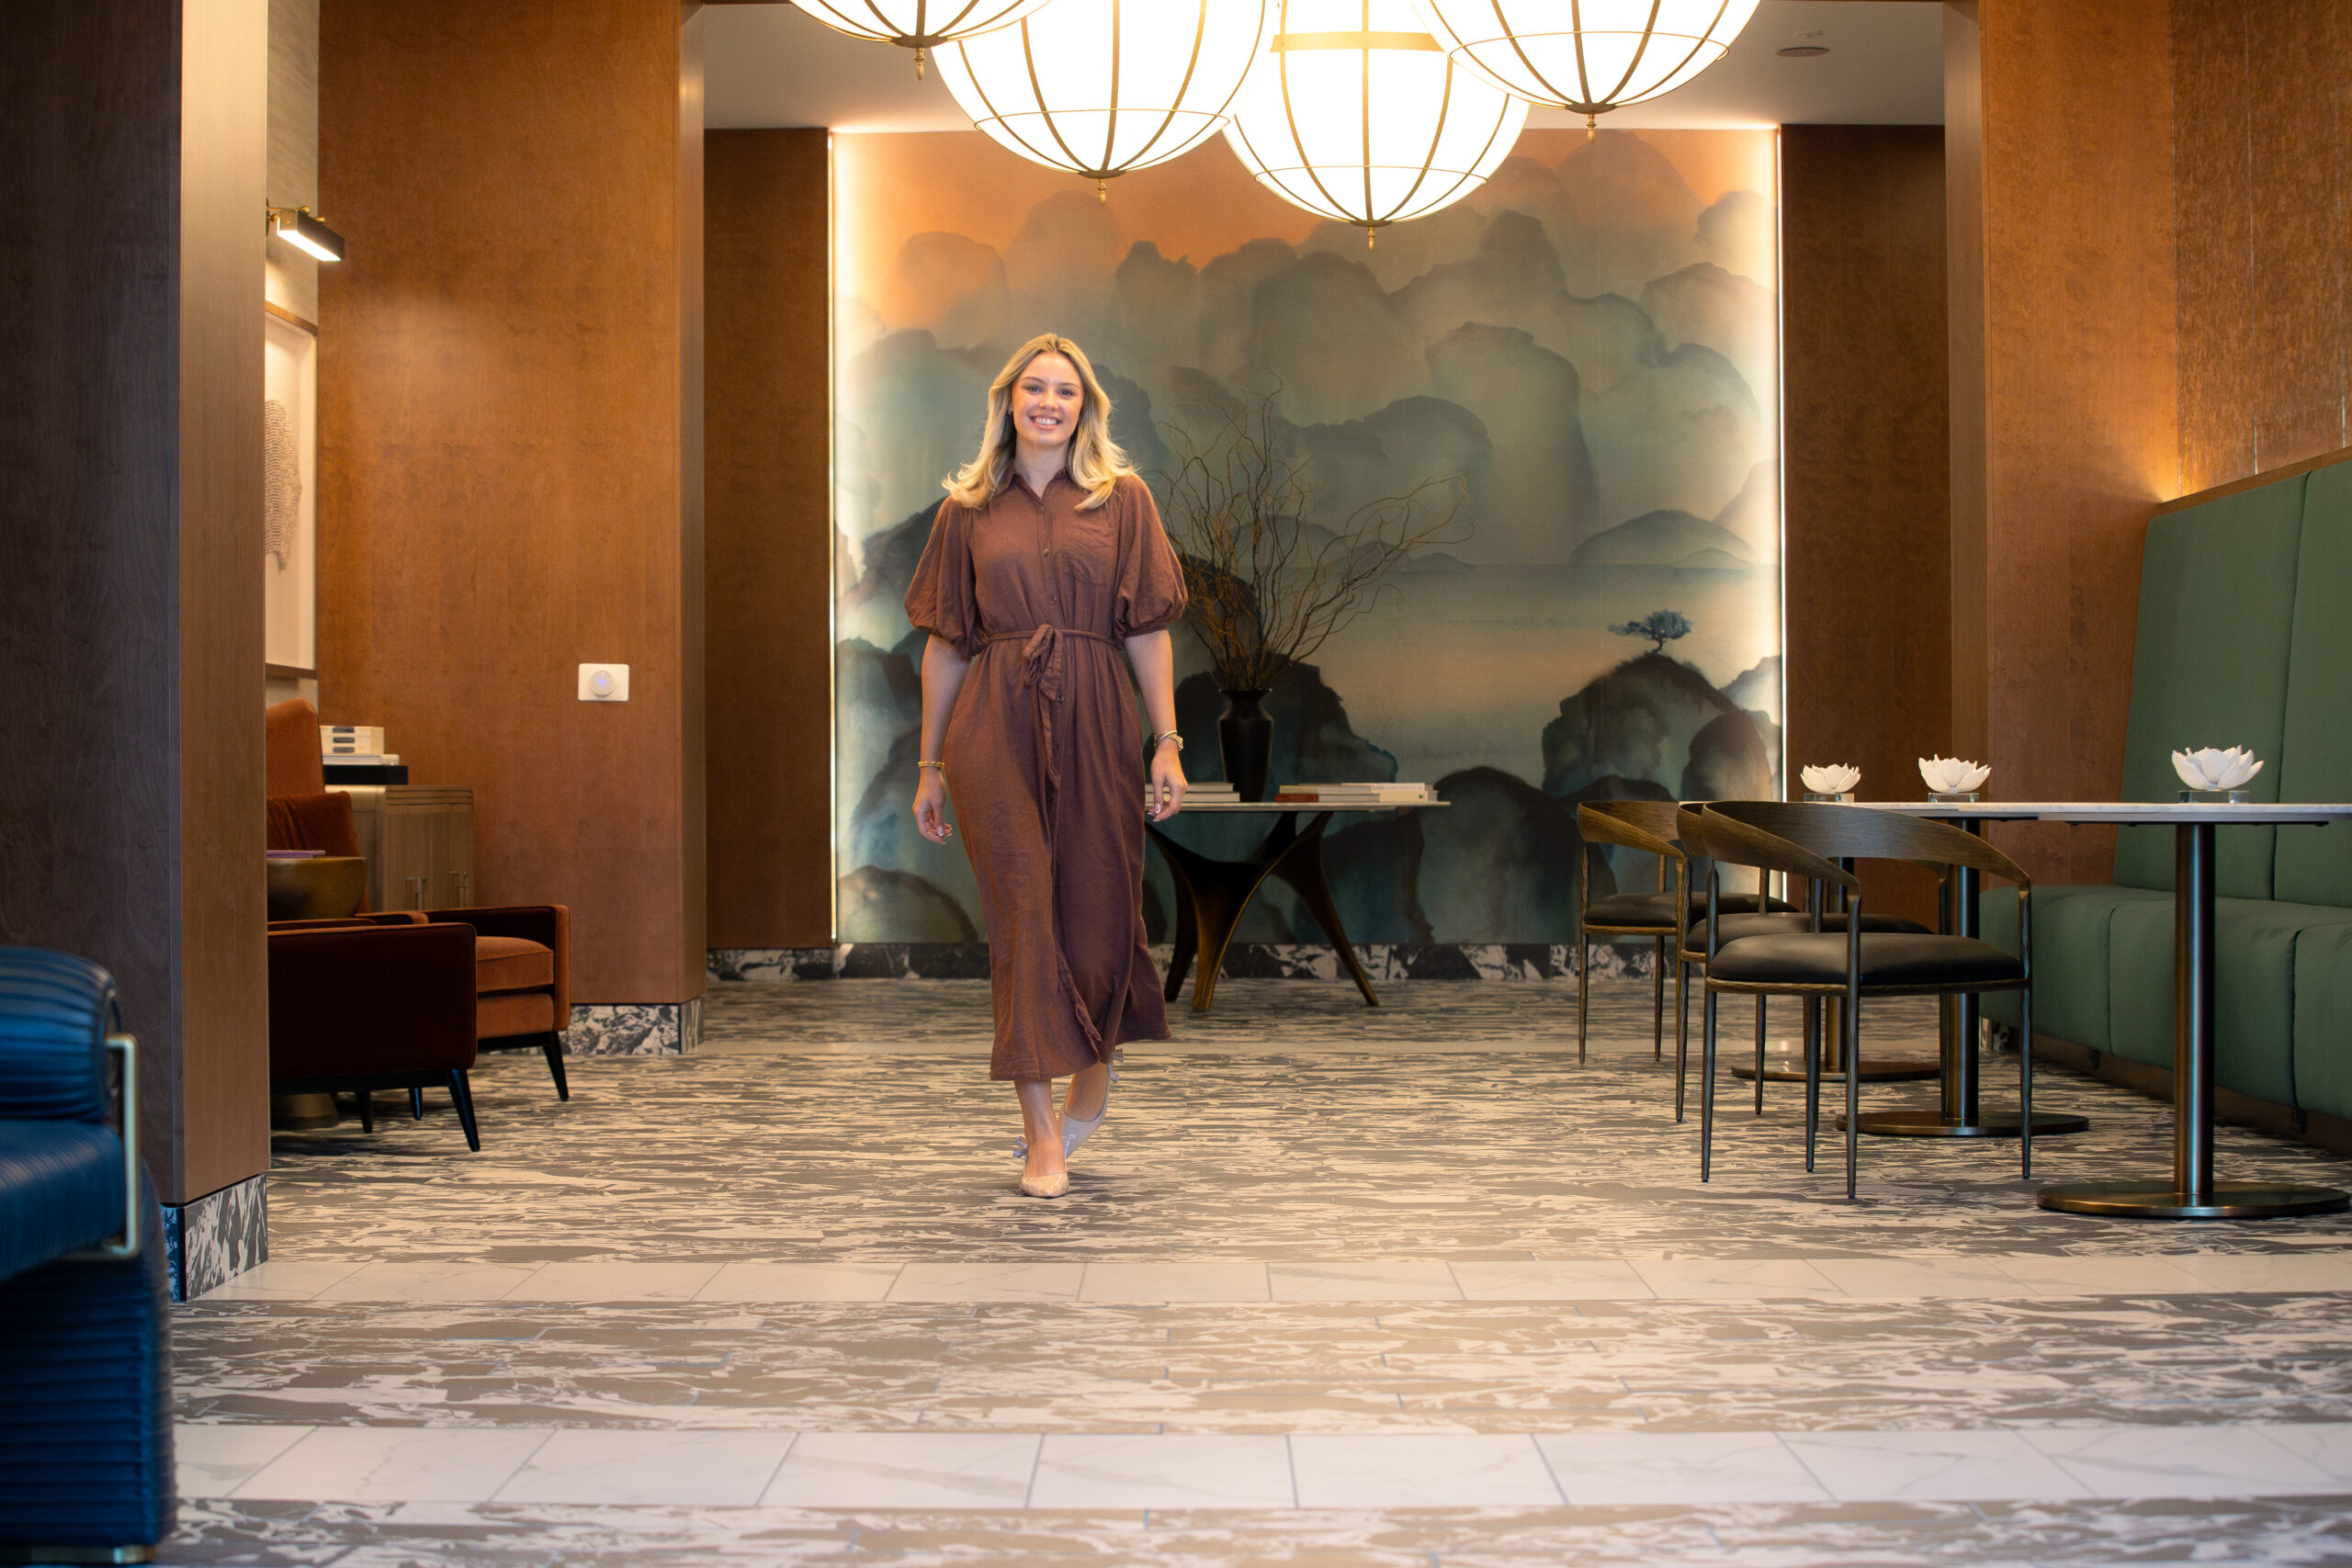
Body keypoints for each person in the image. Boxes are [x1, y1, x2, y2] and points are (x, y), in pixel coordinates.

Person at [905, 333, 1190, 1199]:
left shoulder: (1122, 499)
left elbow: (1146, 631)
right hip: (994, 720)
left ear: (1085, 406)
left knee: (1102, 908)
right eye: (1036, 387)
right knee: (1024, 915)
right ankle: (1040, 1136)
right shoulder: (967, 508)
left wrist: (1167, 739)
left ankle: (1093, 1067)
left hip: (1099, 710)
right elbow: (946, 645)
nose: (1050, 402)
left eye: (1067, 391)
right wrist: (930, 763)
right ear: (1009, 400)